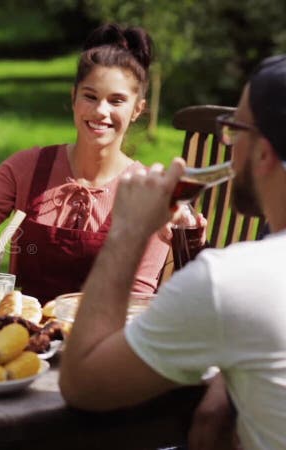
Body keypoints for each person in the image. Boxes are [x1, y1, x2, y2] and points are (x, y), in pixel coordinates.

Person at [59, 54, 286, 450]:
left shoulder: (231, 280)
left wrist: (128, 230)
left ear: (264, 154)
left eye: (233, 132)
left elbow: (82, 384)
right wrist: (227, 383)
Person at [0, 24, 172, 303]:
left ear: (137, 110)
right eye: (90, 96)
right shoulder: (27, 168)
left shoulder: (149, 191)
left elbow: (138, 298)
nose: (100, 111)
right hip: (23, 337)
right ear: (73, 98)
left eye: (116, 100)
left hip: (101, 339)